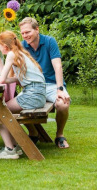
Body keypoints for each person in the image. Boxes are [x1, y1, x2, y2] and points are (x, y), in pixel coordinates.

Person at [0, 31, 46, 159]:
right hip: (38, 93)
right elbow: (13, 79)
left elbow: (2, 79)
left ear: (5, 45)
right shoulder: (20, 53)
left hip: (32, 95)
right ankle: (14, 147)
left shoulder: (11, 55)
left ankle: (10, 149)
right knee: (0, 111)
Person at [19, 17, 70, 149]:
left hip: (52, 85)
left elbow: (57, 66)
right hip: (34, 87)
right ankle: (33, 132)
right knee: (13, 106)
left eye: (28, 32)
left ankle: (60, 135)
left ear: (37, 30)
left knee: (63, 105)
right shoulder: (22, 46)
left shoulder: (49, 42)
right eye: (23, 33)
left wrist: (60, 89)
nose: (25, 36)